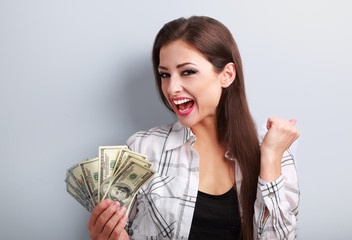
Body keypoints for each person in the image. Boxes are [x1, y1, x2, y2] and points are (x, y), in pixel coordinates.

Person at [88, 16, 300, 240]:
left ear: (226, 75)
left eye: (187, 72)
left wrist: (269, 157)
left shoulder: (275, 154)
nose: (172, 88)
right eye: (164, 74)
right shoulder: (141, 149)